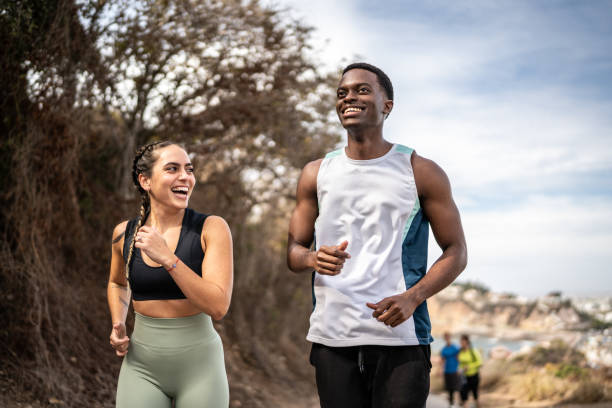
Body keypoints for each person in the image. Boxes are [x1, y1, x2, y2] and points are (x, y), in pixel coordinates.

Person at [286, 62, 468, 408]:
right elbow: (293, 253)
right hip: (332, 339)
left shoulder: (421, 171)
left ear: (388, 105)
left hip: (402, 340)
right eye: (342, 93)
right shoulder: (315, 173)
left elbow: (456, 251)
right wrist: (312, 257)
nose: (349, 97)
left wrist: (413, 298)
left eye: (362, 90)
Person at [107, 141, 233, 408]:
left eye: (189, 169)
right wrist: (118, 322)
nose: (185, 177)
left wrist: (168, 258)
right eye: (172, 169)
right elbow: (117, 283)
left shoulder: (211, 229)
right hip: (141, 367)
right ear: (145, 181)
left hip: (200, 369)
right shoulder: (124, 234)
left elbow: (218, 306)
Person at [458, 334, 482, 408]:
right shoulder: (460, 351)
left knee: (475, 395)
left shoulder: (473, 351)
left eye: (463, 341)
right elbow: (460, 363)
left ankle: (478, 406)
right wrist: (459, 369)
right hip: (464, 377)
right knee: (464, 396)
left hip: (474, 376)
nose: (461, 343)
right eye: (460, 341)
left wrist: (469, 366)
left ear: (467, 342)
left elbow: (480, 362)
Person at [440, 332, 461, 407]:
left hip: (455, 370)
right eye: (445, 337)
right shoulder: (444, 349)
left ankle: (457, 403)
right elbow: (442, 361)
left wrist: (460, 367)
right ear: (444, 339)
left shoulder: (455, 347)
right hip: (447, 371)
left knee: (456, 388)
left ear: (450, 337)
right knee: (449, 389)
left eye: (448, 337)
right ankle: (451, 404)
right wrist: (441, 370)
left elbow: (459, 358)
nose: (447, 338)